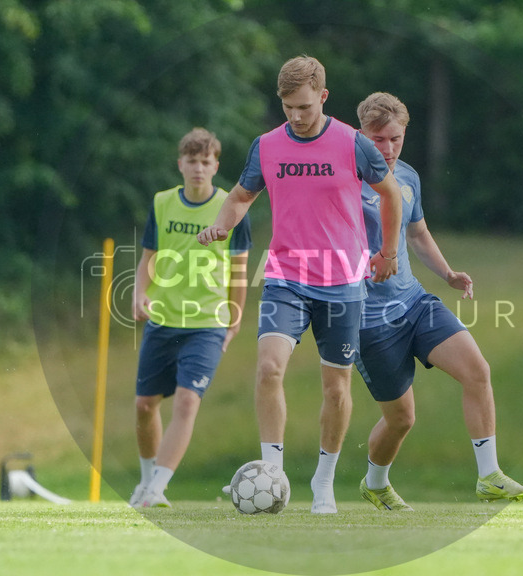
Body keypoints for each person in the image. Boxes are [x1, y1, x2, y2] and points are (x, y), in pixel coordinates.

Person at [198, 56, 403, 514]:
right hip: (286, 278)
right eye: (288, 106)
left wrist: (387, 254)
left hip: (344, 283)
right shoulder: (266, 146)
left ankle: (324, 481)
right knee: (269, 368)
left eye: (305, 106)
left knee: (335, 389)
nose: (295, 115)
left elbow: (390, 193)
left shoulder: (353, 143)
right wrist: (221, 224)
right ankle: (273, 472)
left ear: (324, 98)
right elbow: (240, 196)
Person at [352, 92, 523, 511]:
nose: (388, 148)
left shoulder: (409, 178)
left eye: (395, 138)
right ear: (361, 135)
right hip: (367, 319)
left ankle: (489, 476)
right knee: (402, 419)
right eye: (378, 139)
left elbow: (416, 234)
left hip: (414, 301)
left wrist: (448, 273)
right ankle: (375, 483)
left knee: (477, 371)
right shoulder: (344, 181)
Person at [129, 127, 252, 509]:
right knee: (144, 405)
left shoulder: (233, 206)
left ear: (216, 166)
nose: (198, 168)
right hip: (163, 319)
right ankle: (147, 479)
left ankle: (157, 489)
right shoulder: (163, 202)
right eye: (192, 161)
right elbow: (149, 256)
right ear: (180, 164)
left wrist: (234, 321)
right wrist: (139, 293)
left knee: (186, 401)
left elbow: (239, 270)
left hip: (207, 323)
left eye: (206, 161)